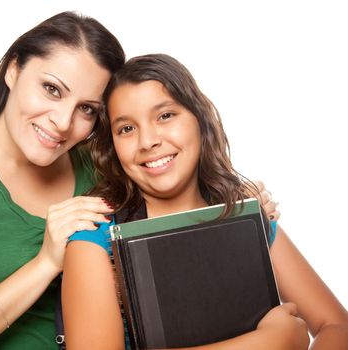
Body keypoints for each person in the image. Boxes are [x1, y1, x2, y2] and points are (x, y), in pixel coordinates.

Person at [0, 12, 278, 349]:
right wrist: (45, 264)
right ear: (13, 69)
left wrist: (235, 207)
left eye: (86, 109)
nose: (62, 122)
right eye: (51, 89)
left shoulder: (101, 167)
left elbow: (176, 202)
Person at [62, 54, 348, 349]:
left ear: (200, 120)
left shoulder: (247, 216)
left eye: (165, 116)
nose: (147, 141)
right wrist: (269, 342)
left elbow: (336, 325)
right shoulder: (94, 238)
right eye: (126, 129)